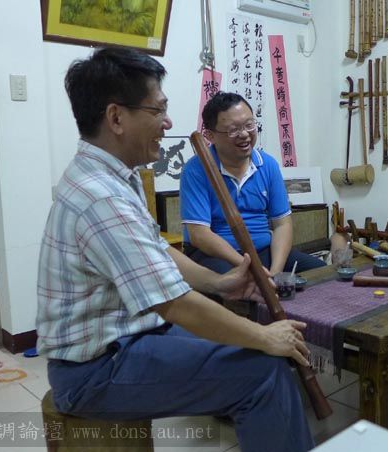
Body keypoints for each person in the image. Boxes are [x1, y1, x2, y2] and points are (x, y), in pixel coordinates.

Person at [35, 47, 314, 452]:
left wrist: (219, 283)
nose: (167, 122)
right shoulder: (101, 196)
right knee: (264, 372)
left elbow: (159, 251)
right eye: (158, 109)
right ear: (116, 118)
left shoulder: (116, 177)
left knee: (252, 351)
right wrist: (264, 336)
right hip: (95, 370)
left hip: (133, 336)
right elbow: (176, 304)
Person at [181, 92, 325, 275]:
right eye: (233, 129)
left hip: (262, 250)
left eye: (249, 125)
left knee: (322, 273)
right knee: (238, 286)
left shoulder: (268, 165)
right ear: (210, 135)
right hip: (215, 255)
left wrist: (275, 272)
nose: (244, 134)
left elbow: (282, 224)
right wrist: (252, 269)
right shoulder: (196, 170)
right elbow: (199, 235)